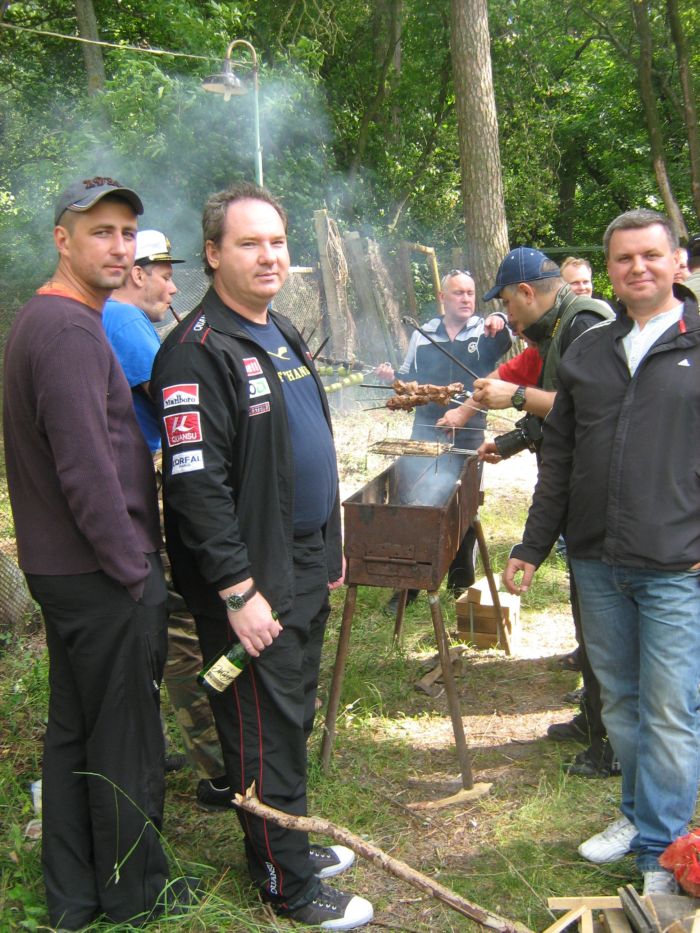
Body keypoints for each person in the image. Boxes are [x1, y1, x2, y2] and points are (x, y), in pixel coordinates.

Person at [151, 182, 373, 930]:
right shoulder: (194, 352)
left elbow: (309, 444)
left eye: (277, 241)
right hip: (252, 577)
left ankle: (290, 840)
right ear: (214, 254)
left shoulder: (279, 329)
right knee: (259, 727)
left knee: (291, 713)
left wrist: (329, 544)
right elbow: (195, 488)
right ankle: (287, 883)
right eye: (250, 243)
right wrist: (239, 591)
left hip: (302, 557)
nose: (269, 255)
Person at [2, 177, 188, 929]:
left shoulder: (51, 319)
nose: (119, 247)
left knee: (73, 732)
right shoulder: (71, 332)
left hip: (63, 568)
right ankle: (137, 897)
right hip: (100, 573)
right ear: (62, 239)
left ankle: (74, 898)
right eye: (101, 232)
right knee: (125, 739)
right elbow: (86, 470)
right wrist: (134, 569)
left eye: (127, 234)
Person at [503, 209, 700, 896]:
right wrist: (532, 544)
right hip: (595, 559)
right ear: (608, 270)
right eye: (623, 258)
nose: (637, 267)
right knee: (619, 703)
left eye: (651, 254)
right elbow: (558, 459)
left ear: (676, 262)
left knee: (670, 710)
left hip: (676, 564)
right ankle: (640, 816)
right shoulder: (588, 351)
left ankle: (661, 852)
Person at [441, 249, 616, 777]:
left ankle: (610, 741)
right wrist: (512, 441)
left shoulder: (583, 324)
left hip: (601, 493)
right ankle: (594, 717)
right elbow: (559, 413)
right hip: (576, 486)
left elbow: (591, 410)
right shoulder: (558, 328)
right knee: (588, 613)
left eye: (508, 305)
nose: (508, 318)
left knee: (603, 623)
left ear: (525, 292)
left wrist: (516, 396)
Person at [103, 229, 229, 808]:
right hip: (150, 479)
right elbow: (178, 399)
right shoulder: (126, 322)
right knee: (181, 622)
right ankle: (218, 766)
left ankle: (157, 745)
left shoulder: (113, 318)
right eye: (165, 275)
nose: (174, 288)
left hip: (131, 484)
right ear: (138, 274)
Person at [375, 270, 512, 607]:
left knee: (463, 505)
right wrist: (392, 378)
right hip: (426, 430)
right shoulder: (423, 334)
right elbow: (408, 377)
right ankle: (410, 585)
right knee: (416, 503)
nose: (466, 299)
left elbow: (510, 337)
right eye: (458, 293)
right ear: (442, 297)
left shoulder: (485, 330)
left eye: (470, 293)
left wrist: (500, 319)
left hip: (469, 432)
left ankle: (460, 582)